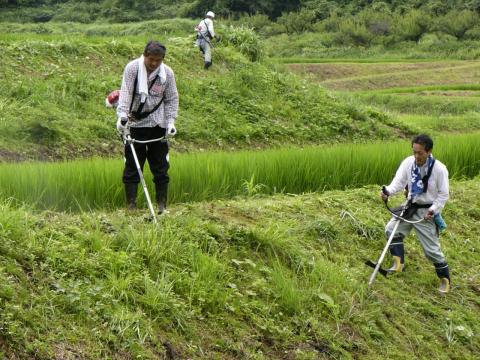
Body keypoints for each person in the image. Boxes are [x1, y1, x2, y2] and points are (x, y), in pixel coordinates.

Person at [380, 134, 451, 293]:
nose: (416, 156)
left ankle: (445, 281)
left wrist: (433, 210)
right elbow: (398, 183)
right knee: (392, 230)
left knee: (432, 251)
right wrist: (388, 192)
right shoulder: (408, 163)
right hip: (410, 206)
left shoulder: (439, 169)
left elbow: (443, 195)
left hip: (427, 212)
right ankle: (398, 265)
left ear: (429, 151)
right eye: (414, 152)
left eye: (420, 153)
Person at [116, 40, 179, 214]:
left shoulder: (167, 74)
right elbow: (126, 93)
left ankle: (162, 206)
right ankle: (131, 207)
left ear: (162, 59)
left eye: (158, 60)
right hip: (135, 126)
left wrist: (171, 122)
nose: (153, 64)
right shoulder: (132, 69)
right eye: (151, 59)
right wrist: (122, 117)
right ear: (144, 56)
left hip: (158, 125)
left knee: (161, 168)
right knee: (132, 167)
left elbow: (172, 99)